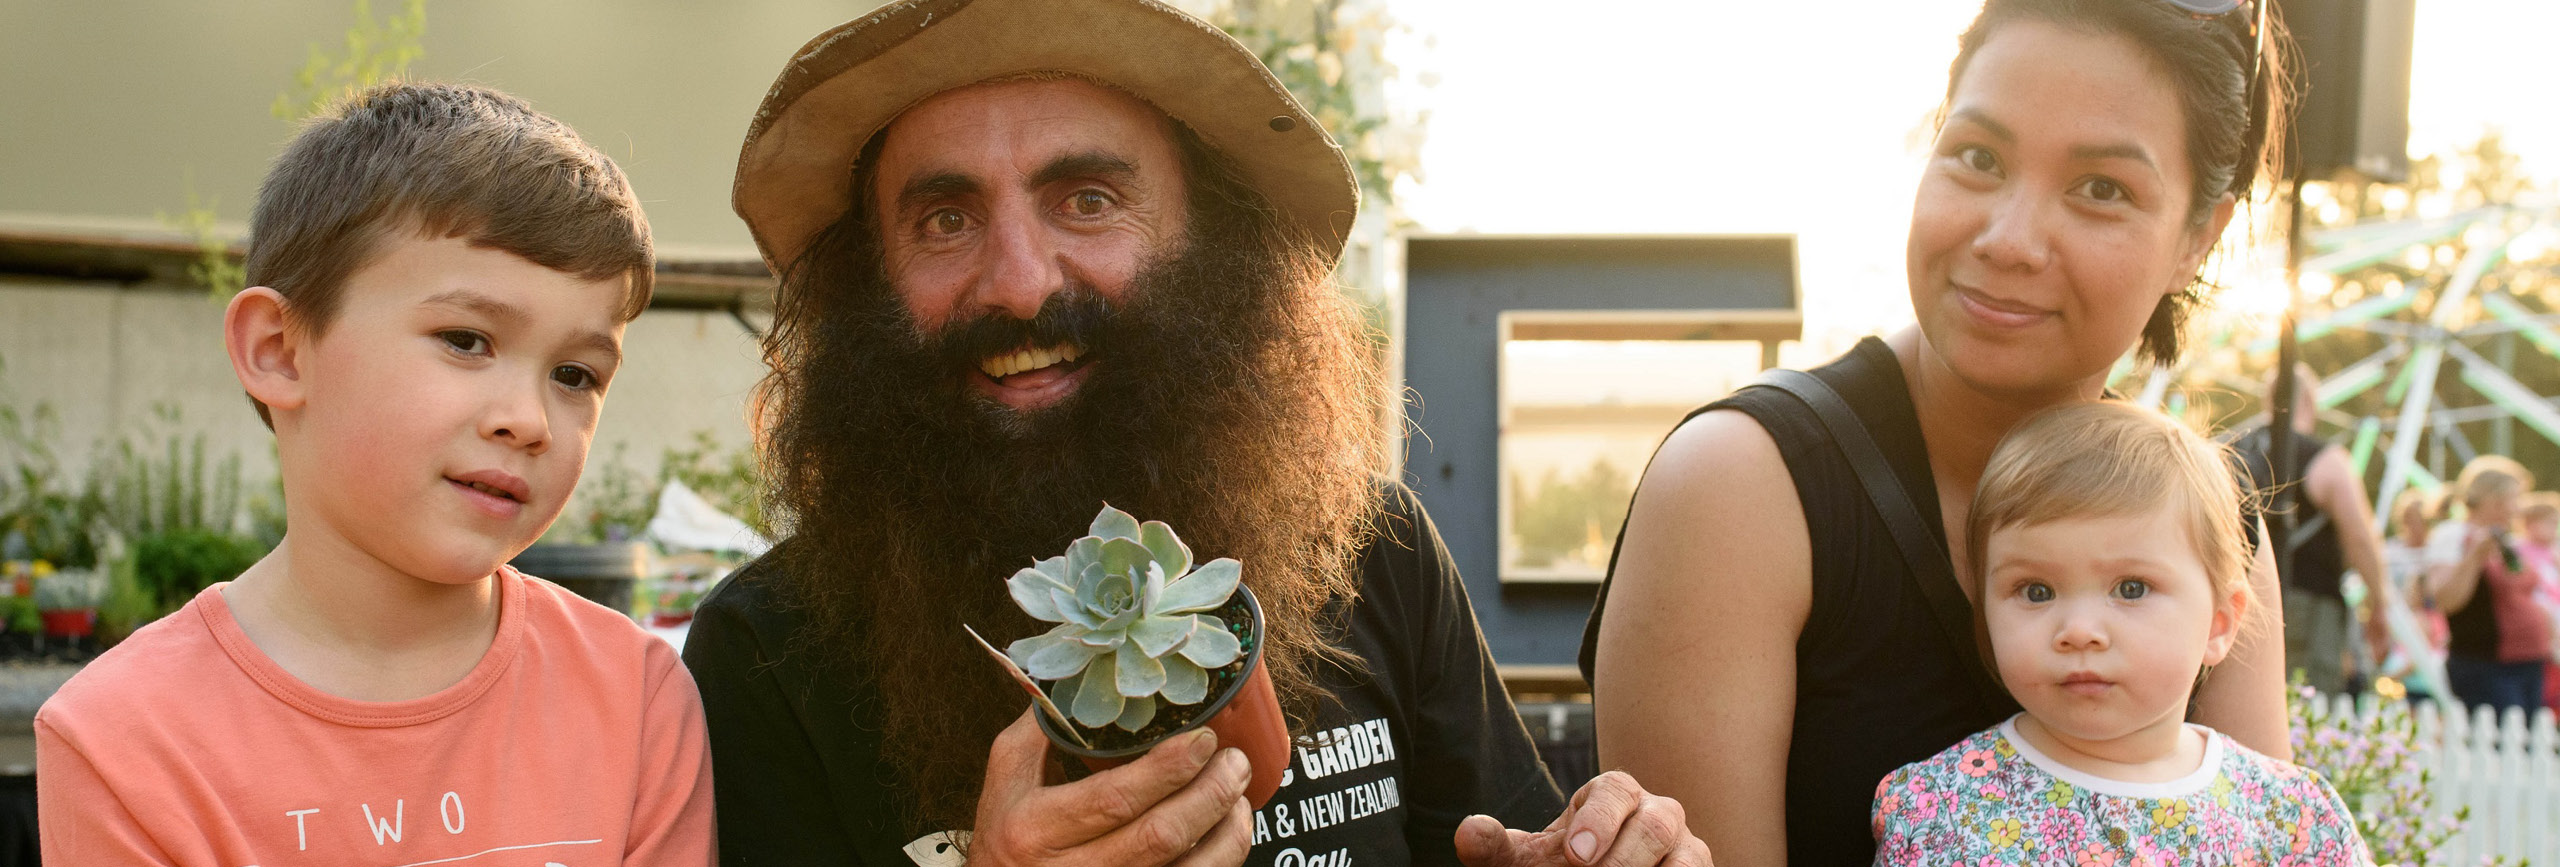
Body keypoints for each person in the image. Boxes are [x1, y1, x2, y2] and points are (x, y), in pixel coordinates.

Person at [679, 1, 1709, 865]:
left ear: (1212, 256)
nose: (1019, 282)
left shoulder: (1371, 548)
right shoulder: (766, 654)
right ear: (874, 287)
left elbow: (1505, 841)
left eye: (1086, 200)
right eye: (945, 220)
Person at [1583, 0, 2295, 863]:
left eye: (2100, 188)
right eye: (1978, 157)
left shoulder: (2213, 526)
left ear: (2198, 238)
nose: (2009, 238)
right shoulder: (1745, 486)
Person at [35, 83, 713, 864]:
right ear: (280, 351)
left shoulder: (638, 702)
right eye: (466, 339)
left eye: (575, 375)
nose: (528, 419)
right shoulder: (121, 739)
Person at [1871, 402, 2370, 865]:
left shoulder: (2291, 818)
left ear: (2219, 622)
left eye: (2131, 588)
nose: (2079, 631)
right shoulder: (1942, 809)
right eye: (2036, 591)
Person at [2226, 364, 2397, 694]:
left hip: (2238, 598)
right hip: (2305, 602)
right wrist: (2378, 604)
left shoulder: (2232, 451)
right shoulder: (2325, 459)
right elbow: (2360, 537)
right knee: (2304, 699)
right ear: (2310, 400)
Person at [2425, 456, 2552, 713]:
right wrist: (2475, 557)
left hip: (2529, 661)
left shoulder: (2506, 539)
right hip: (2487, 665)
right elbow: (2443, 601)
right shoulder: (2453, 536)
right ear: (2491, 500)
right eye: (2513, 500)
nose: (2517, 510)